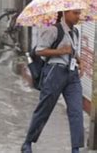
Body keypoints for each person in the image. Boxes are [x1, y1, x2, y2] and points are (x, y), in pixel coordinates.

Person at [21, 10, 84, 153]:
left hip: (72, 76)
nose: (78, 16)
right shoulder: (53, 30)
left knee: (76, 111)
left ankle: (76, 149)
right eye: (75, 13)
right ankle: (27, 143)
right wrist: (61, 51)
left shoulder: (75, 32)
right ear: (65, 13)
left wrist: (81, 62)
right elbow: (39, 51)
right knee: (44, 109)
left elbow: (72, 50)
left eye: (79, 13)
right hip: (55, 73)